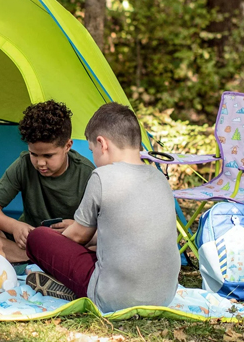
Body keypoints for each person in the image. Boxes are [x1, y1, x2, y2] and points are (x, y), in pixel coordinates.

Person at [25, 103, 180, 313]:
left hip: (113, 298)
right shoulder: (160, 178)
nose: (93, 157)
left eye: (92, 151)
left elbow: (77, 237)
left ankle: (72, 286)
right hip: (164, 296)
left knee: (38, 238)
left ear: (102, 144)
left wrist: (55, 241)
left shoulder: (102, 176)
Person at [0, 100, 95, 264]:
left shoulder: (87, 172)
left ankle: (41, 260)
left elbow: (103, 227)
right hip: (27, 243)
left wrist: (77, 228)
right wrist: (15, 227)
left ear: (68, 145)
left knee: (98, 244)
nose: (40, 163)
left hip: (67, 242)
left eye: (48, 156)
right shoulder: (24, 164)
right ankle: (43, 261)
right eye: (34, 154)